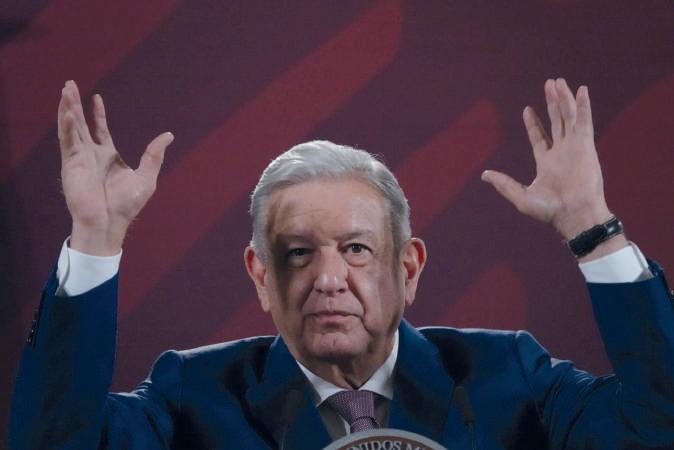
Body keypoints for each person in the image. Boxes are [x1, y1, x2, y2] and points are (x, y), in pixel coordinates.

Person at [8, 78, 674, 449]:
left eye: (357, 249)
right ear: (261, 276)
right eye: (298, 254)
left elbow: (659, 426)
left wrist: (593, 230)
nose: (328, 279)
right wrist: (96, 237)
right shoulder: (194, 395)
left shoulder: (509, 377)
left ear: (408, 268)